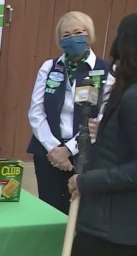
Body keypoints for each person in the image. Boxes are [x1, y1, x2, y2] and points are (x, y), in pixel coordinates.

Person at [60, 13, 137, 256]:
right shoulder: (126, 91)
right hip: (125, 229)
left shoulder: (133, 97)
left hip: (110, 226)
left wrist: (86, 180)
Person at [27, 11, 114, 215]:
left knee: (80, 213)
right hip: (48, 154)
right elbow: (36, 111)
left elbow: (102, 116)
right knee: (49, 212)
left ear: (89, 34)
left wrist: (68, 149)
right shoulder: (50, 67)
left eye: (78, 32)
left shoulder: (105, 71)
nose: (72, 38)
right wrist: (54, 149)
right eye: (66, 35)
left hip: (86, 154)